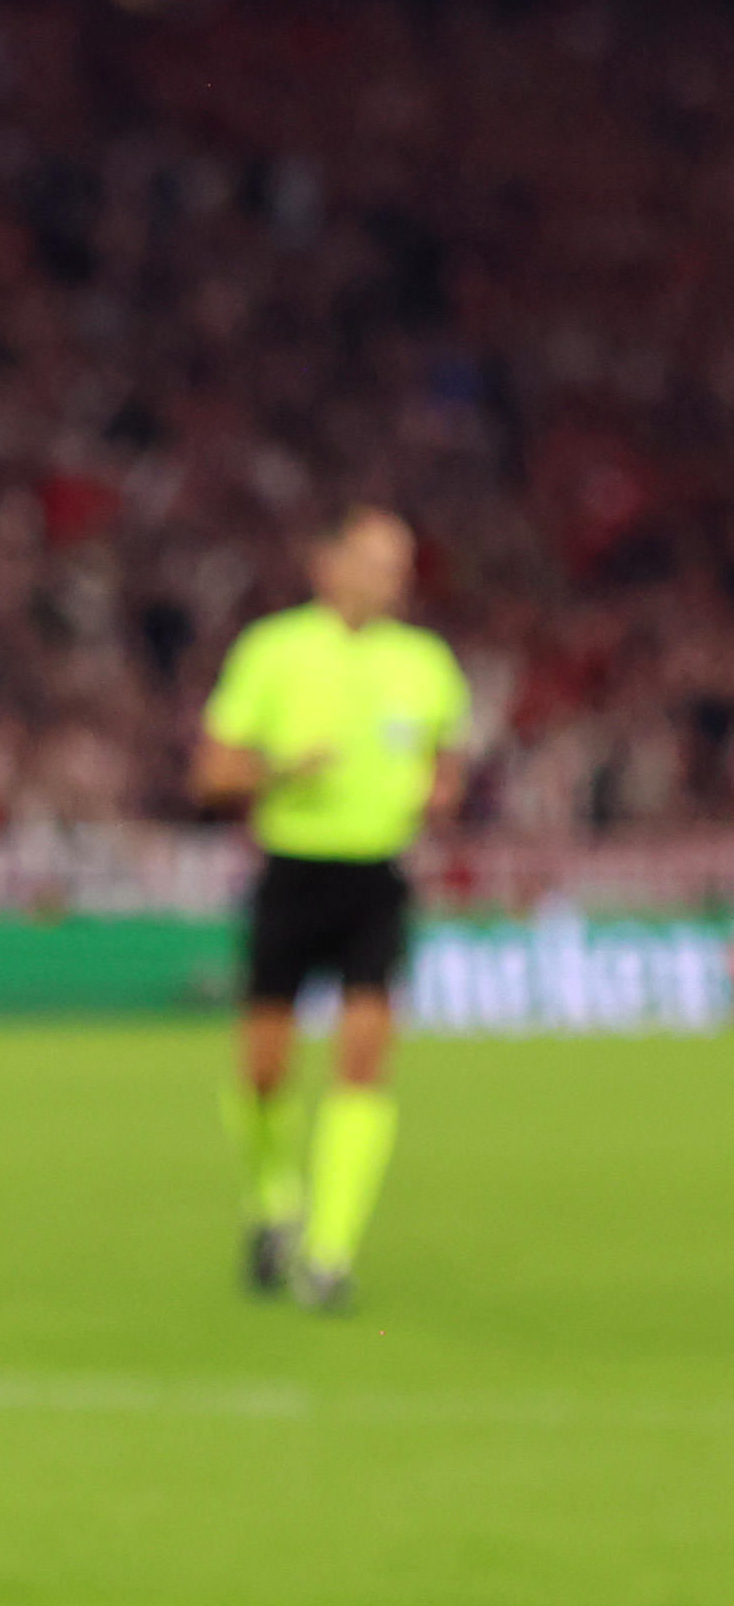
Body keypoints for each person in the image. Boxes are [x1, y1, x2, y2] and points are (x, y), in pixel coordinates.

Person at [191, 506, 468, 1315]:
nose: (392, 578)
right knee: (264, 1067)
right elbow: (210, 776)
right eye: (377, 561)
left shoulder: (425, 663)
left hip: (376, 876)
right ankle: (272, 1198)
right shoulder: (273, 649)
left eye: (401, 564)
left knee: (363, 1052)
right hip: (291, 872)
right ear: (332, 565)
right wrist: (280, 770)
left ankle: (329, 1250)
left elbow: (444, 759)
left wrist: (440, 788)